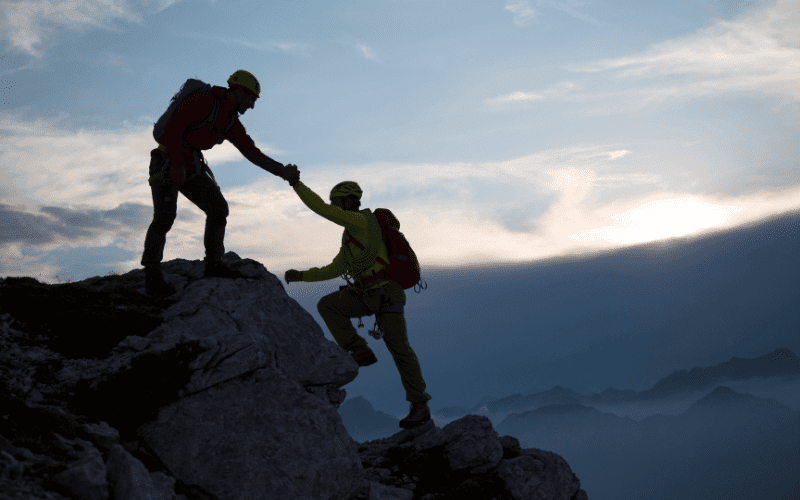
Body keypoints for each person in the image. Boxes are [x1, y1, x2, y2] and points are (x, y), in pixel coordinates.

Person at [283, 176, 432, 429]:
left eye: (338, 201)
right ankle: (358, 348)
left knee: (400, 349)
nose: (336, 206)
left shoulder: (362, 222)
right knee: (328, 305)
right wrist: (303, 276)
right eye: (335, 202)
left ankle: (420, 405)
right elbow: (335, 268)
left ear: (350, 201)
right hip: (369, 295)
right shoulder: (351, 238)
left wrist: (296, 184)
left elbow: (321, 210)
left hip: (387, 293)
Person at [141, 70, 299, 296]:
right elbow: (175, 127)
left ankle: (214, 264)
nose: (252, 106)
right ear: (240, 92)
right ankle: (152, 274)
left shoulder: (230, 122)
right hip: (167, 161)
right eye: (251, 99)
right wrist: (176, 163)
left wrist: (284, 172)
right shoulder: (204, 101)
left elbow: (252, 153)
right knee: (164, 216)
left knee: (218, 208)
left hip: (191, 167)